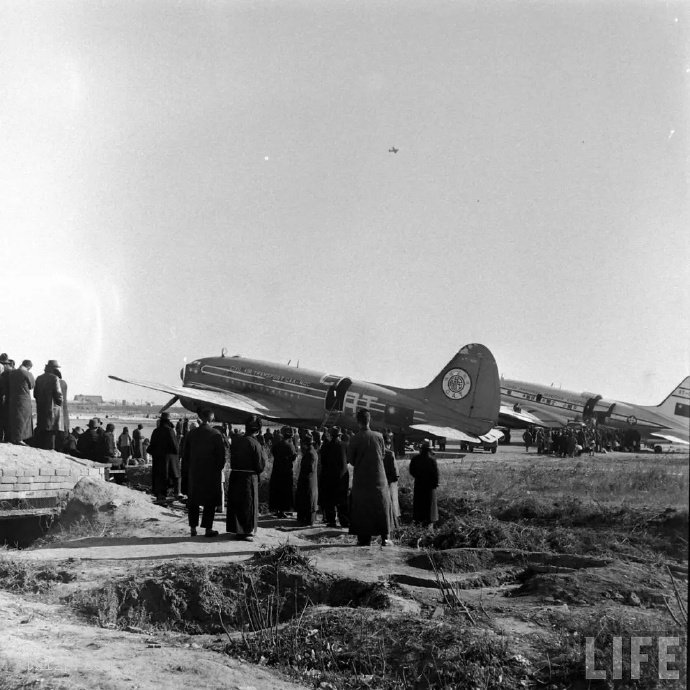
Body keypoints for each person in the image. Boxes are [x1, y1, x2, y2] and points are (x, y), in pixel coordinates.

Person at [347, 409, 392, 546]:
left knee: (362, 508)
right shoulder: (379, 436)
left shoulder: (354, 438)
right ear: (369, 420)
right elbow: (383, 455)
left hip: (362, 480)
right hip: (379, 477)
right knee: (382, 506)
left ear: (358, 422)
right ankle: (385, 538)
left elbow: (351, 460)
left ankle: (364, 539)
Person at [182, 408, 225, 538]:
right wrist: (217, 470)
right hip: (210, 474)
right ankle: (208, 529)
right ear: (211, 419)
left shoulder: (191, 433)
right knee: (209, 502)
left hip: (194, 473)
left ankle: (193, 529)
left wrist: (189, 470)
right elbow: (221, 458)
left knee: (193, 501)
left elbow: (185, 456)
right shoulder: (216, 434)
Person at [226, 415, 266, 541]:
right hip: (249, 477)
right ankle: (246, 531)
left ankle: (237, 530)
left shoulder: (237, 440)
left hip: (235, 475)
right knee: (248, 504)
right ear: (258, 430)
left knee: (237, 503)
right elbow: (260, 465)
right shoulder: (255, 444)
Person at [318, 426, 349, 528]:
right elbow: (348, 460)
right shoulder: (345, 445)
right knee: (342, 500)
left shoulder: (325, 446)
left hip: (329, 476)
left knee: (330, 500)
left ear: (331, 435)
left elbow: (322, 461)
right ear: (340, 435)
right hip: (342, 477)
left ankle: (331, 521)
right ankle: (344, 521)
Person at [147, 412, 180, 504]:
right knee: (175, 475)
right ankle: (177, 493)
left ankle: (160, 495)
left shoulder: (156, 431)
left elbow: (151, 446)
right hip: (170, 459)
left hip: (158, 459)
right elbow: (175, 446)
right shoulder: (170, 431)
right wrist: (177, 455)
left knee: (159, 477)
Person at [33, 360, 63, 450]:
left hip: (41, 408)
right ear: (53, 369)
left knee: (42, 428)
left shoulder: (39, 378)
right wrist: (59, 403)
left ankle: (41, 447)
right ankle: (50, 448)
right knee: (51, 430)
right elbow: (58, 394)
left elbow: (35, 394)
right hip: (52, 409)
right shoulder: (55, 378)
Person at [408, 441, 439, 527]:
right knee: (430, 509)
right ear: (429, 450)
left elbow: (412, 471)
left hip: (419, 485)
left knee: (419, 506)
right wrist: (435, 484)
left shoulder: (415, 459)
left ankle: (418, 523)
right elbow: (435, 475)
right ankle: (429, 525)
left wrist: (419, 477)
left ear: (421, 450)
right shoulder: (432, 460)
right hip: (430, 487)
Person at [269, 426, 297, 518]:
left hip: (276, 471)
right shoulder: (290, 446)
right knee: (285, 492)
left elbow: (273, 452)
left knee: (276, 490)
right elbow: (293, 458)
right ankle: (282, 510)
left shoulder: (277, 445)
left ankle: (277, 510)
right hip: (286, 472)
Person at [8, 360, 35, 444]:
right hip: (24, 400)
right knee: (23, 420)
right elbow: (31, 386)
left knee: (15, 419)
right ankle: (20, 439)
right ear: (29, 367)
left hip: (13, 399)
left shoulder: (12, 373)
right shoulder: (28, 374)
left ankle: (14, 438)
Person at [295, 431, 318, 526]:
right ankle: (305, 518)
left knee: (308, 500)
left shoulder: (310, 454)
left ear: (305, 444)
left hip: (308, 480)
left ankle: (307, 519)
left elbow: (309, 468)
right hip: (308, 480)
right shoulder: (311, 452)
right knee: (306, 499)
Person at [382, 434, 400, 529]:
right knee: (393, 504)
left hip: (380, 482)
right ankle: (394, 525)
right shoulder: (390, 454)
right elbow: (395, 472)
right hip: (390, 482)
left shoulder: (376, 453)